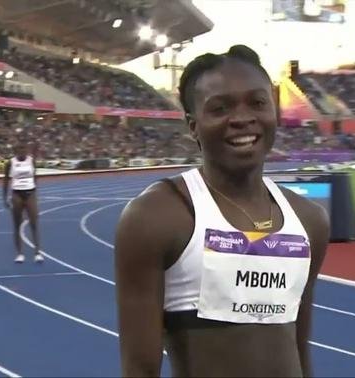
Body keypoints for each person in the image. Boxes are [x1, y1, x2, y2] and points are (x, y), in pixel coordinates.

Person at [114, 45, 330, 377]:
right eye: (220, 108)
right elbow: (140, 369)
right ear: (193, 126)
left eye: (257, 103)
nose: (243, 118)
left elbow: (299, 348)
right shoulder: (157, 218)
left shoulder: (309, 221)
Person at [3, 141, 43, 263]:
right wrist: (4, 197)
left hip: (30, 192)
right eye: (20, 150)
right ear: (16, 151)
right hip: (17, 193)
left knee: (34, 223)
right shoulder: (11, 163)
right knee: (17, 224)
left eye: (24, 149)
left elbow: (35, 176)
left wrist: (35, 190)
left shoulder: (31, 160)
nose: (22, 152)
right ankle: (20, 253)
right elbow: (5, 180)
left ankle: (37, 252)